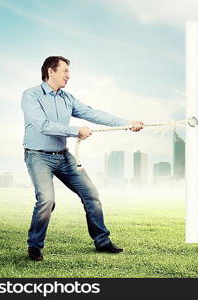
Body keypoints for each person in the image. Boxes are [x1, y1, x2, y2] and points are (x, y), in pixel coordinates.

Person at [21, 56, 143, 261]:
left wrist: (127, 123)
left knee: (92, 196)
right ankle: (34, 246)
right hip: (38, 156)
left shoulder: (67, 98)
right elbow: (43, 125)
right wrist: (76, 131)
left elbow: (92, 114)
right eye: (65, 71)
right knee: (47, 201)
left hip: (64, 157)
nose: (69, 75)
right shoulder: (31, 95)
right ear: (51, 71)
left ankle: (102, 242)